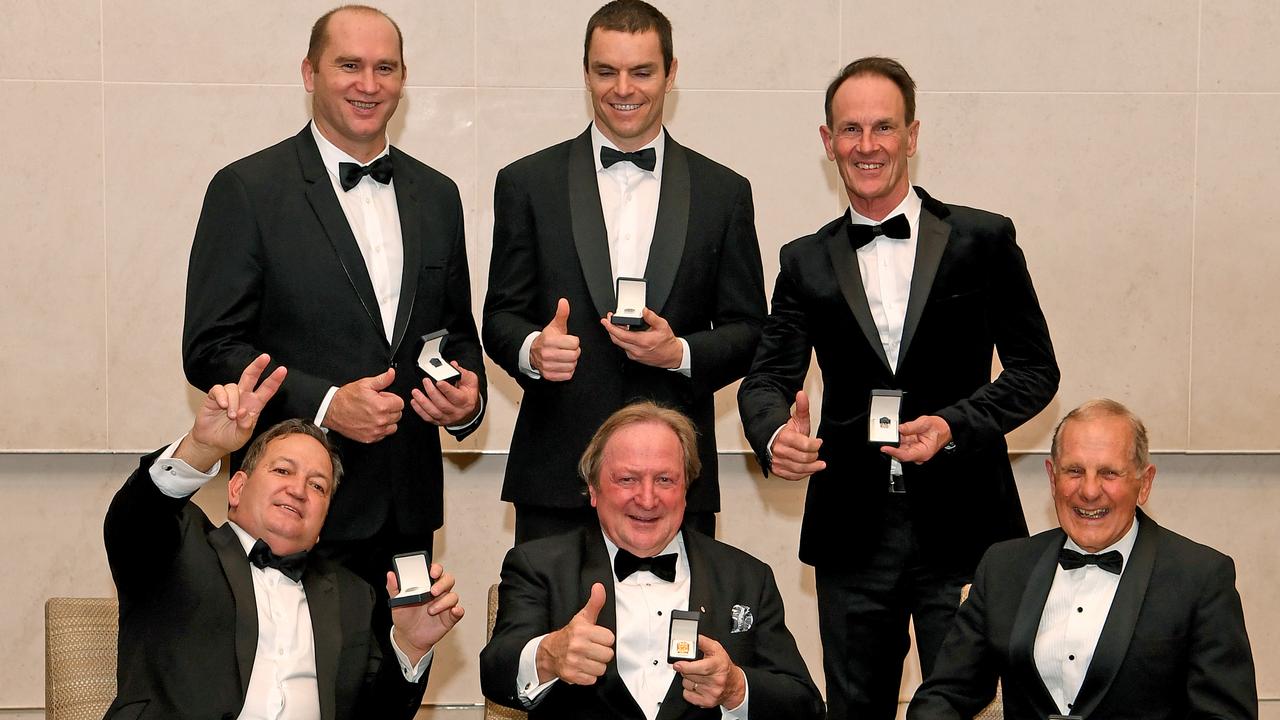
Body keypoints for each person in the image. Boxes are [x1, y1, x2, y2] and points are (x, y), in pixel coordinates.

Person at [737, 56, 1059, 718]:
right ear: (827, 143)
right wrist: (774, 434)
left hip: (965, 522)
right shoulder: (803, 259)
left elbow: (1036, 370)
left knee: (958, 706)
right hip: (851, 529)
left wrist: (955, 424)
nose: (867, 145)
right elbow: (769, 376)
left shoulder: (984, 239)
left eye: (883, 127)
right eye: (850, 130)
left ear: (913, 134)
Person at [182, 4, 485, 593]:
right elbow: (211, 348)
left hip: (407, 514)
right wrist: (324, 404)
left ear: (402, 79)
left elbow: (453, 335)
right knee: (290, 682)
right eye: (349, 65)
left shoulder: (439, 195)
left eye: (385, 68)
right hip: (291, 506)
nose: (368, 85)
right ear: (309, 73)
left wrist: (465, 399)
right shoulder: (247, 190)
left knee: (403, 676)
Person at [482, 0, 766, 543]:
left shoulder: (724, 192)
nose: (624, 88)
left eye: (642, 71)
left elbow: (752, 331)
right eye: (606, 71)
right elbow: (499, 317)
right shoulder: (526, 183)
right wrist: (532, 351)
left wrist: (679, 353)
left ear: (671, 73)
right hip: (556, 478)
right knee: (552, 630)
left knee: (676, 631)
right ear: (585, 72)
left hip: (676, 482)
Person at [103, 354, 465, 720]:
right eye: (282, 470)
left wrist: (409, 647)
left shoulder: (352, 596)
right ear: (236, 488)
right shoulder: (177, 546)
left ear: (323, 522)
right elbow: (134, 517)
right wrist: (201, 447)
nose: (298, 490)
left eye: (317, 485)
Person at [907, 399, 1258, 719]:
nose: (1089, 491)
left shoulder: (1200, 577)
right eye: (1074, 471)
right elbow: (946, 695)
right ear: (1052, 477)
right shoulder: (1003, 566)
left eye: (1109, 473)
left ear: (1144, 482)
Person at [479, 402, 823, 720]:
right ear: (594, 489)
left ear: (686, 488)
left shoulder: (746, 576)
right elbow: (496, 672)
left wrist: (735, 688)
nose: (647, 499)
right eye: (627, 479)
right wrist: (548, 656)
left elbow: (804, 704)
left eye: (665, 480)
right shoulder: (540, 565)